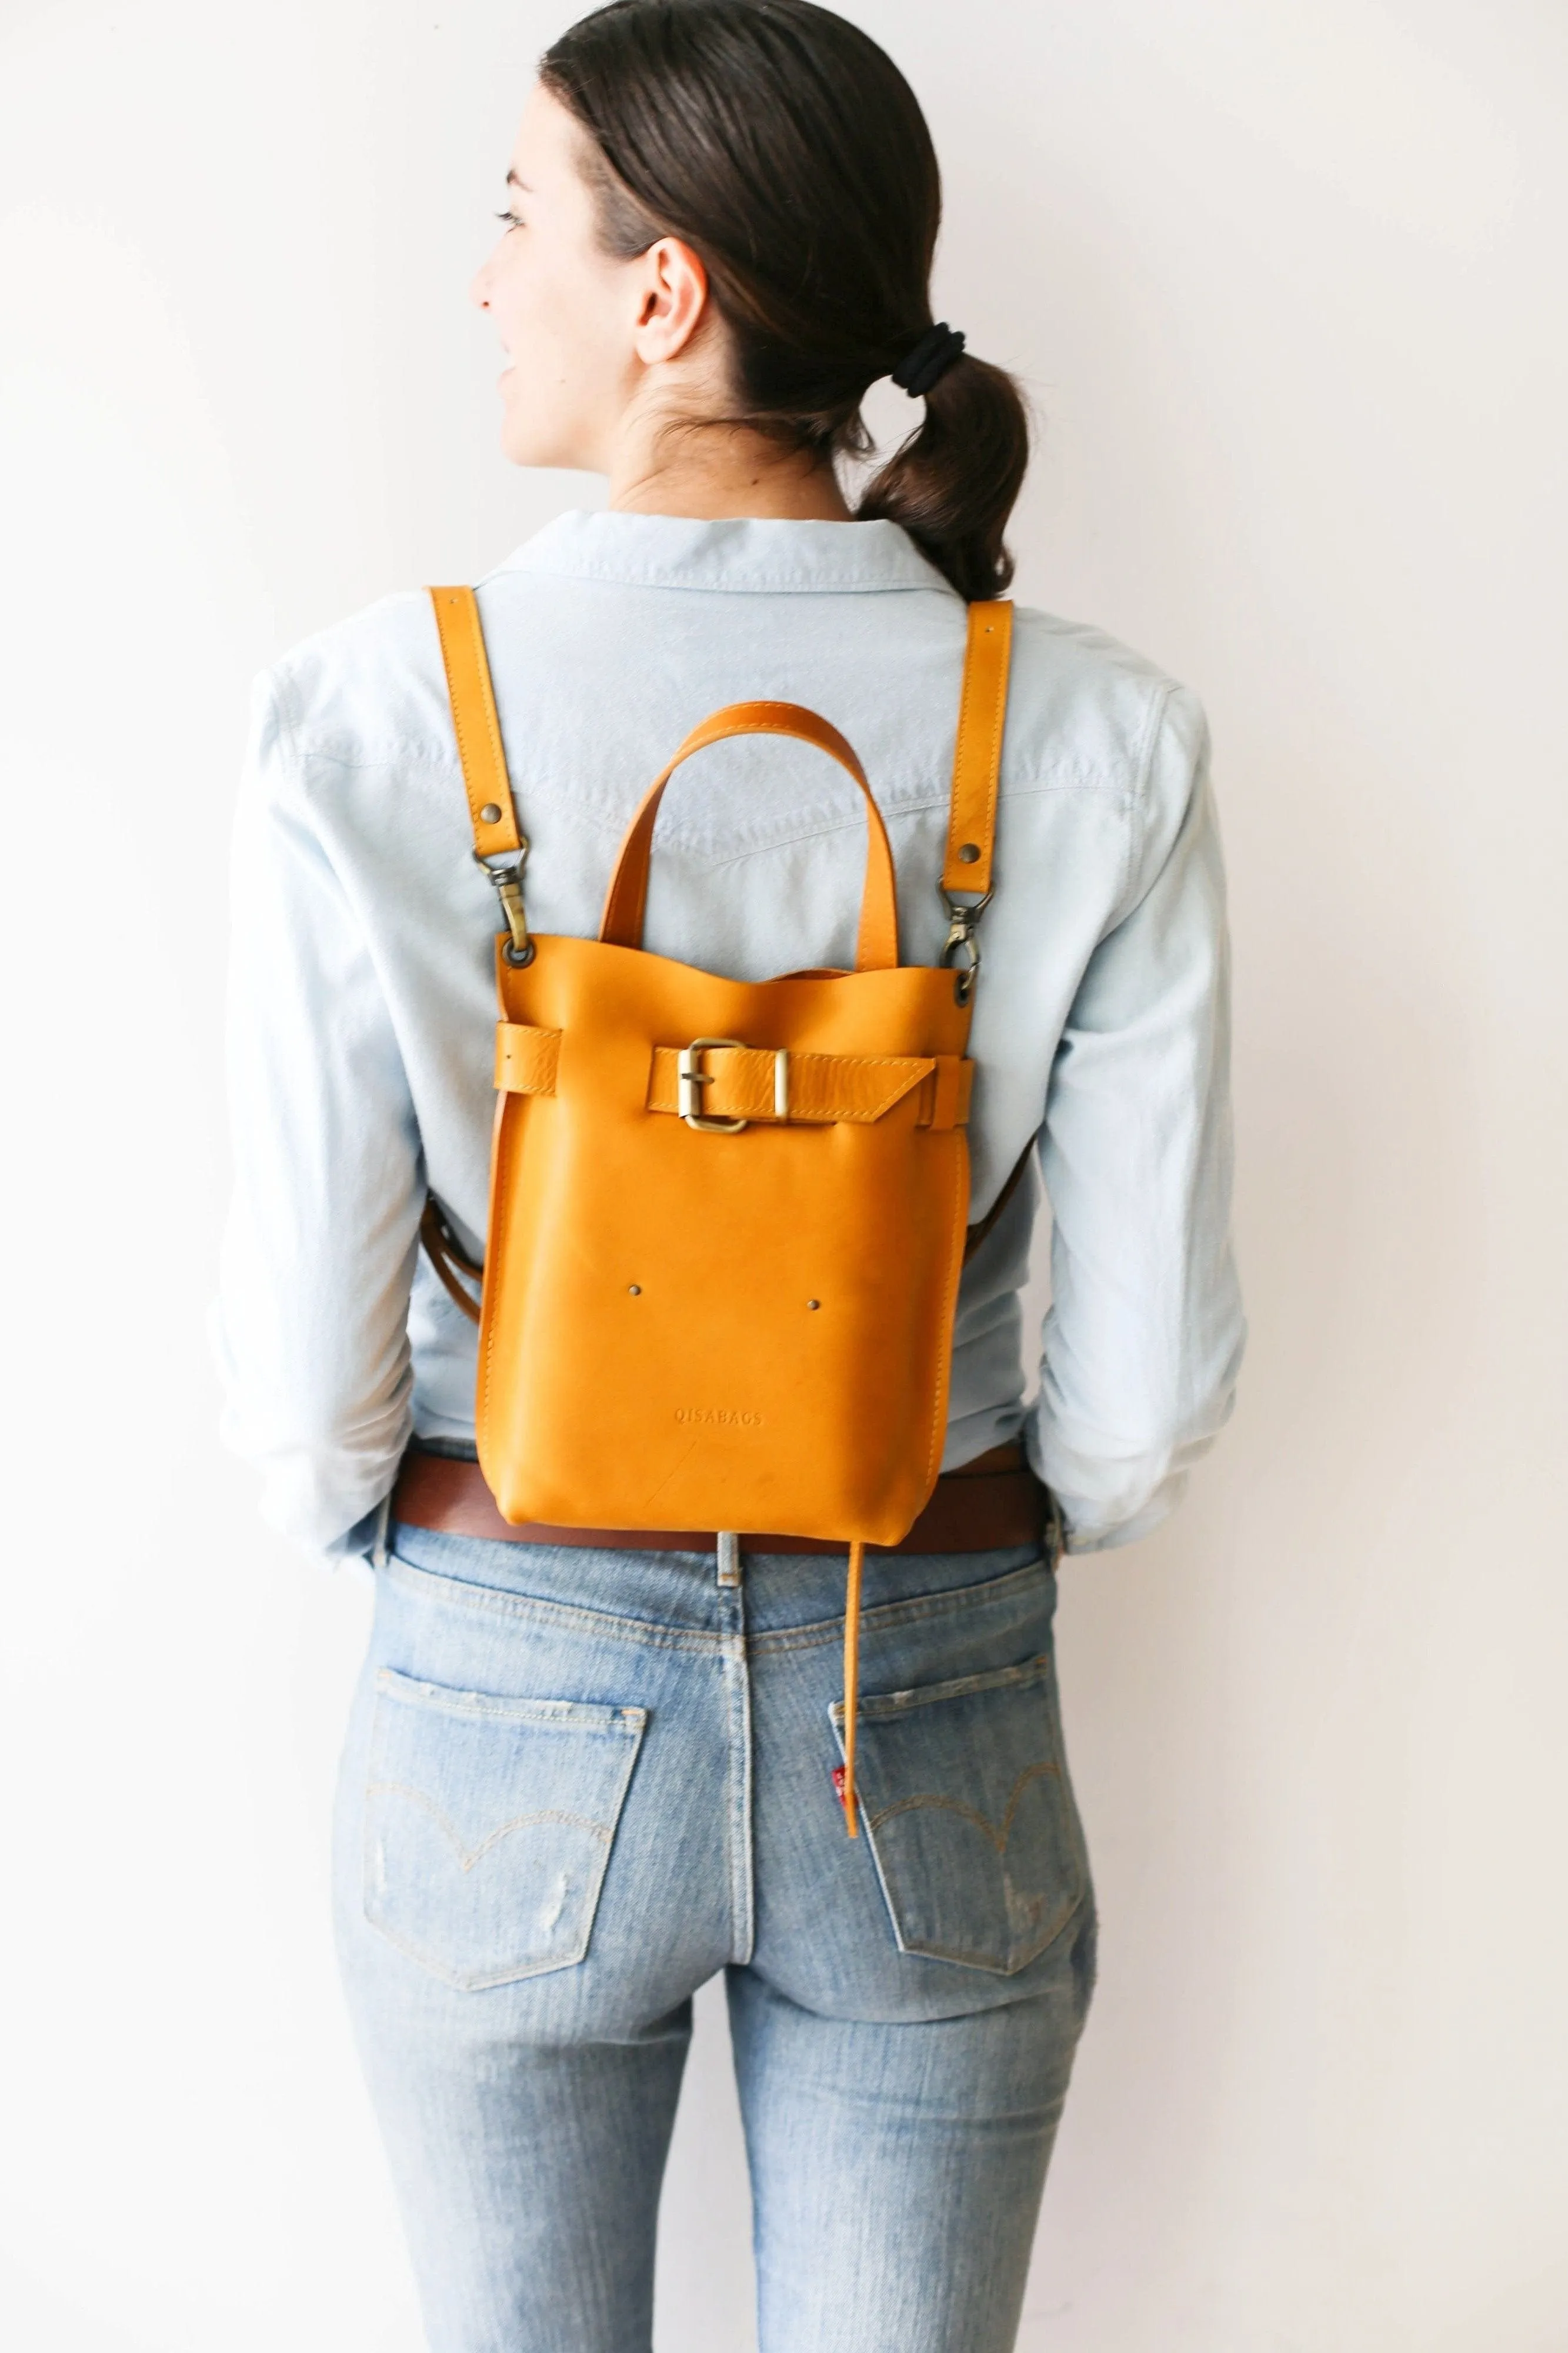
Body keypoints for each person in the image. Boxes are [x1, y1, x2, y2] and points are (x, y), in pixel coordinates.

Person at [214, 3, 1245, 2346]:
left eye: (513, 220)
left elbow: (302, 1393)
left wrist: (450, 1563)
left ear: (662, 290)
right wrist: (991, 1528)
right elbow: (1145, 1388)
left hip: (508, 1662)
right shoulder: (1089, 729)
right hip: (933, 1671)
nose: (483, 282)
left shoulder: (378, 716)